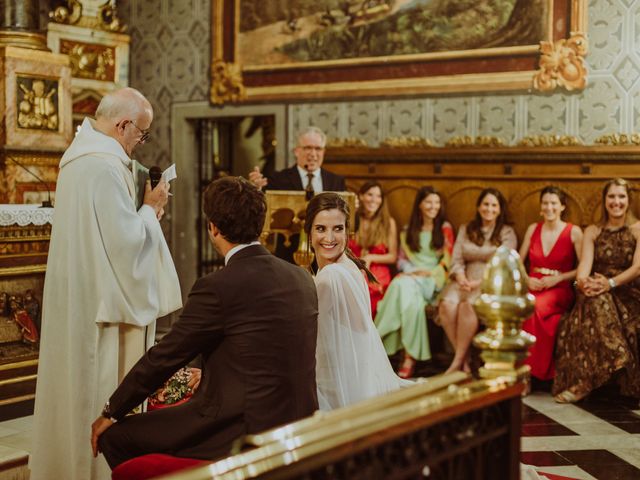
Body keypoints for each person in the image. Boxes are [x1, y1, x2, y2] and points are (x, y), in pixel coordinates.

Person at [91, 176, 319, 469]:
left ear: (213, 227)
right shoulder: (301, 278)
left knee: (115, 436)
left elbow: (165, 357)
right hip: (298, 421)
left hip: (242, 429)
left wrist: (111, 411)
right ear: (261, 225)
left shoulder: (218, 286)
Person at [29, 87, 183, 480]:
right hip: (102, 305)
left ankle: (62, 466)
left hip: (77, 296)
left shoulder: (76, 161)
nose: (140, 142)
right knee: (96, 384)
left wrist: (144, 213)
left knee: (72, 387)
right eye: (142, 133)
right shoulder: (105, 166)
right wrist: (151, 209)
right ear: (123, 124)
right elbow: (125, 244)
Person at [305, 192, 410, 410]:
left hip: (339, 382)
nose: (329, 238)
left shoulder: (330, 276)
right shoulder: (351, 266)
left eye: (338, 229)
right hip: (360, 376)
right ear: (308, 231)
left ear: (348, 231)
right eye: (321, 228)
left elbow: (312, 340)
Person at [553, 178, 640, 403]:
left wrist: (609, 283)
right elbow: (584, 267)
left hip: (627, 291)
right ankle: (616, 356)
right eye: (611, 196)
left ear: (628, 201)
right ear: (604, 200)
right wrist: (583, 283)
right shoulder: (593, 230)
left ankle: (586, 383)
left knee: (598, 300)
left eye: (621, 197)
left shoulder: (638, 229)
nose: (616, 201)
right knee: (594, 301)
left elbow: (638, 267)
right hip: (596, 289)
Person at [375, 186, 455, 379]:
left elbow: (448, 260)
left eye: (436, 202)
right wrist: (412, 272)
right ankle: (409, 356)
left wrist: (427, 273)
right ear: (419, 204)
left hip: (433, 280)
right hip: (411, 278)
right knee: (408, 295)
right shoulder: (407, 230)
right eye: (428, 202)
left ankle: (375, 342)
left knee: (399, 284)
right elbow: (402, 261)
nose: (433, 206)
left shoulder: (445, 229)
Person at [438, 188, 517, 374]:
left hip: (490, 280)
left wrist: (479, 282)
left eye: (493, 205)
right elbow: (456, 258)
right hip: (464, 277)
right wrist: (460, 276)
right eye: (485, 204)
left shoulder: (507, 232)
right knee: (446, 305)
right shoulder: (467, 229)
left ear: (499, 209)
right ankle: (464, 359)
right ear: (479, 206)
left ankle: (456, 363)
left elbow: (504, 262)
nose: (489, 209)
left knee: (467, 307)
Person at [249, 126, 345, 263]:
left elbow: (349, 222)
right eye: (307, 148)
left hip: (328, 256)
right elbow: (260, 212)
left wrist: (355, 207)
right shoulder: (278, 179)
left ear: (323, 152)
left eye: (318, 149)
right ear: (296, 151)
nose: (313, 154)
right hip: (288, 256)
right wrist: (256, 190)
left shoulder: (336, 181)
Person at [518, 187, 582, 384]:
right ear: (540, 207)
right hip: (533, 283)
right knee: (521, 306)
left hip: (559, 288)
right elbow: (518, 261)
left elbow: (583, 267)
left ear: (562, 206)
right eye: (545, 203)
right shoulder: (532, 229)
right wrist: (527, 279)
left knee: (533, 307)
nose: (549, 207)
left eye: (554, 203)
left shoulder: (574, 232)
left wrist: (559, 278)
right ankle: (529, 369)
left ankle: (527, 374)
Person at [348, 181, 398, 318]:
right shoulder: (351, 219)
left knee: (371, 288)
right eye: (370, 195)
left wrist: (370, 257)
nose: (374, 200)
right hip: (354, 267)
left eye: (378, 196)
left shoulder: (388, 222)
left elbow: (393, 256)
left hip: (378, 271)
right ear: (361, 196)